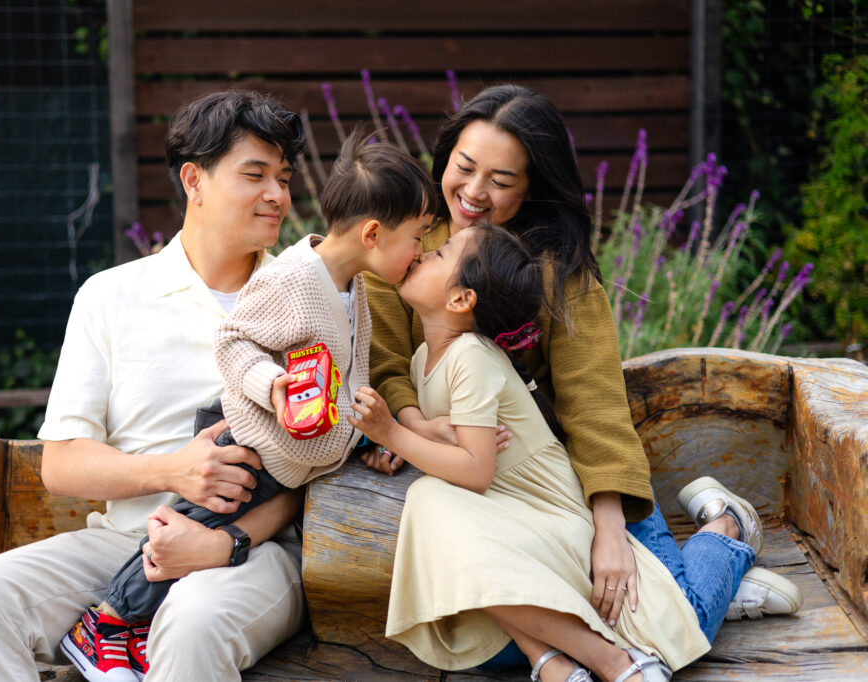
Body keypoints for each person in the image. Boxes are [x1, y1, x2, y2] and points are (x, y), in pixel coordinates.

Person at [363, 84, 801, 672]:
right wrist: (416, 425)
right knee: (483, 653)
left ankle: (725, 532)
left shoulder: (562, 275)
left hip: (570, 487)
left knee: (667, 616)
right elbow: (387, 362)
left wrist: (609, 532)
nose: (473, 192)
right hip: (483, 493)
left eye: (501, 180)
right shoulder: (408, 247)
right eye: (463, 167)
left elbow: (594, 410)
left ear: (534, 184)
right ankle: (696, 594)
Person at [0, 90, 312, 682]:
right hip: (123, 542)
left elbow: (315, 466)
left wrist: (226, 544)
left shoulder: (305, 302)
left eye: (284, 178)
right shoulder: (111, 296)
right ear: (195, 180)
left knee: (191, 624)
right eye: (255, 175)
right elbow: (60, 465)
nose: (278, 196)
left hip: (255, 553)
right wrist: (174, 473)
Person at [59, 130, 437, 680]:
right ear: (374, 233)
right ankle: (106, 625)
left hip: (280, 457)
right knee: (172, 539)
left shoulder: (351, 287)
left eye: (283, 179)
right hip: (245, 446)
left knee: (187, 541)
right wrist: (270, 385)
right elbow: (233, 342)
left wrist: (366, 441)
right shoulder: (291, 279)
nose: (421, 252)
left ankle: (132, 627)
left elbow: (339, 383)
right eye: (419, 237)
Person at [353, 223, 710, 681]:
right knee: (434, 510)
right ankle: (550, 661)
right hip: (511, 514)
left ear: (461, 300)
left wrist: (394, 435)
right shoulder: (425, 359)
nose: (423, 254)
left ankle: (616, 658)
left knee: (428, 500)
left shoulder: (470, 356)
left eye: (440, 254)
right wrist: (407, 440)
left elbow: (476, 470)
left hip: (549, 513)